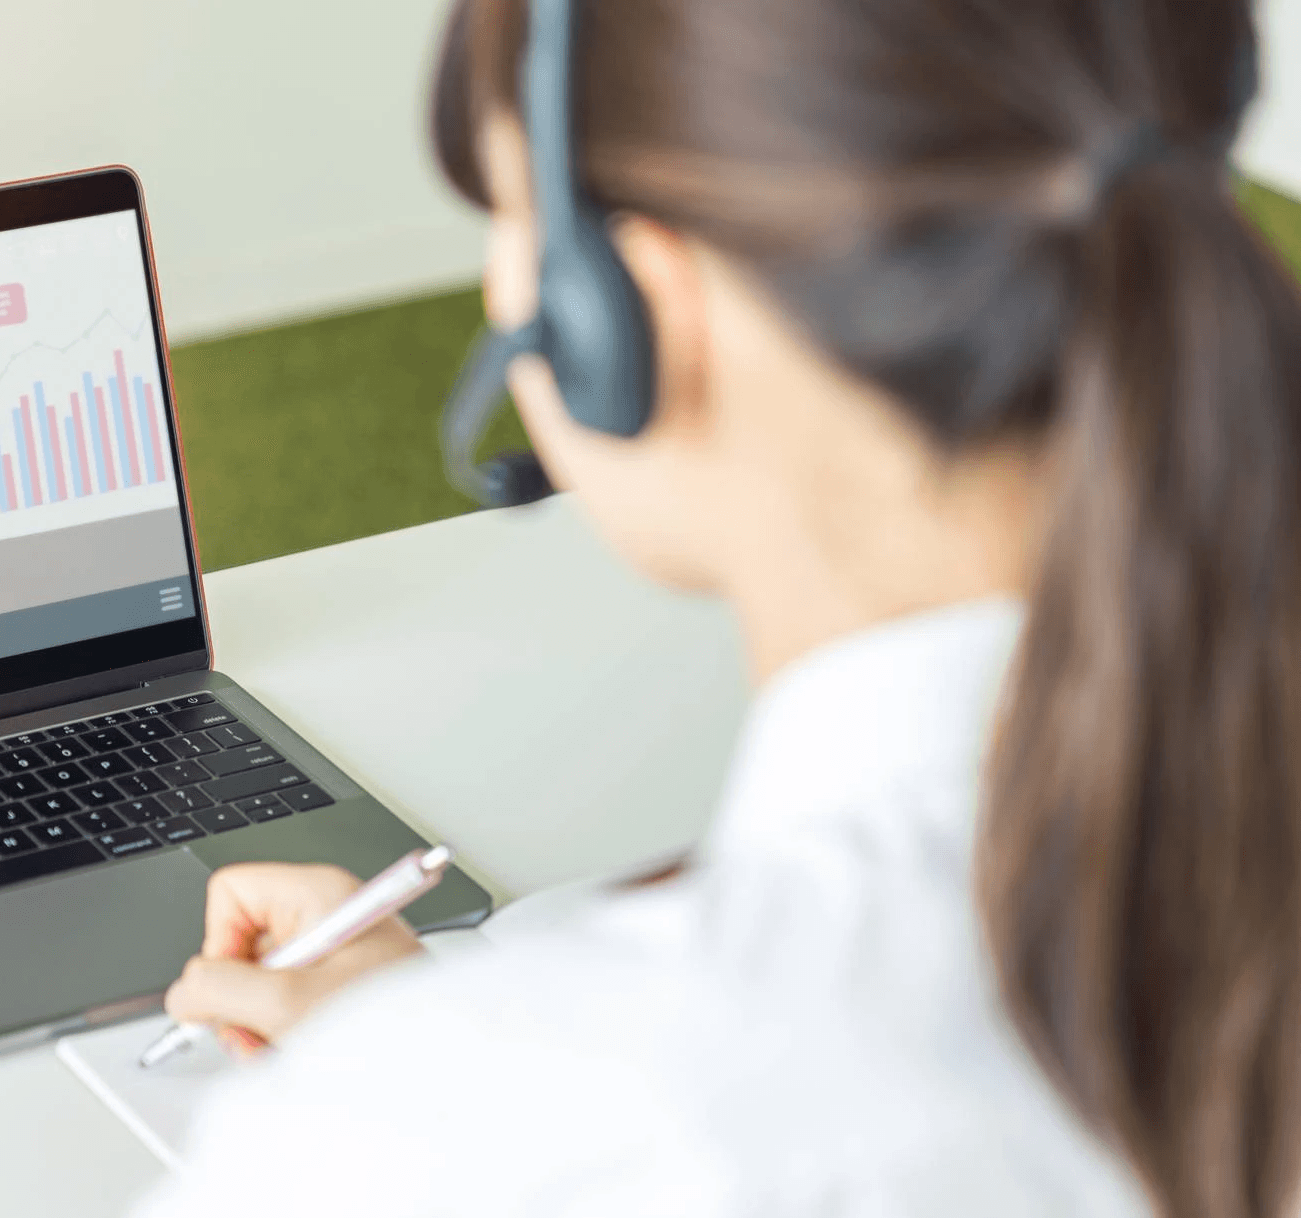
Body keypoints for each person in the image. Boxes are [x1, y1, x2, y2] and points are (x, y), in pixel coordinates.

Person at [136, 0, 1301, 1215]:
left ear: (624, 315)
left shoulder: (410, 1149)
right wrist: (441, 1036)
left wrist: (422, 1077)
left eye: (511, 218)